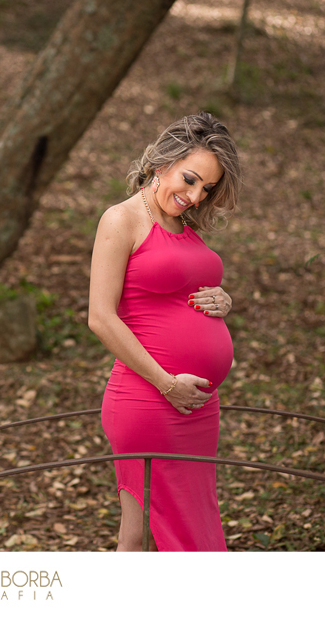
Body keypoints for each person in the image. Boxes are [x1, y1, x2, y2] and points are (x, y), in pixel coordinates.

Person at [88, 112, 242, 551]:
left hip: (196, 406)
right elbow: (100, 316)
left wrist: (222, 301)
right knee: (160, 539)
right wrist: (166, 383)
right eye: (190, 180)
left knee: (175, 531)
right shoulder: (121, 220)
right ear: (161, 164)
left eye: (206, 189)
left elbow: (176, 295)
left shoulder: (183, 225)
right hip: (150, 399)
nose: (195, 196)